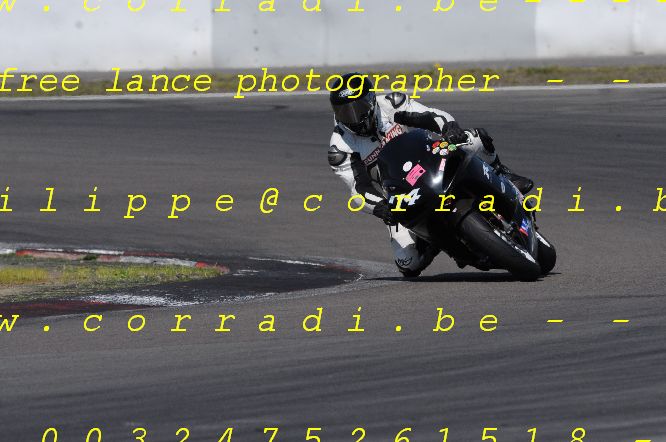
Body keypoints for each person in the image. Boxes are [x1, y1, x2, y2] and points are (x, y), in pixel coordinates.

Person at [328, 73, 534, 277]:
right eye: (345, 112)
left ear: (371, 99)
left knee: (475, 137)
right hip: (401, 195)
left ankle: (501, 172)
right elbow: (358, 189)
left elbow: (431, 115)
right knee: (407, 263)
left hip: (432, 158)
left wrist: (449, 128)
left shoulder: (391, 104)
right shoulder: (340, 148)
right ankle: (433, 241)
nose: (354, 117)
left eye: (358, 107)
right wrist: (381, 207)